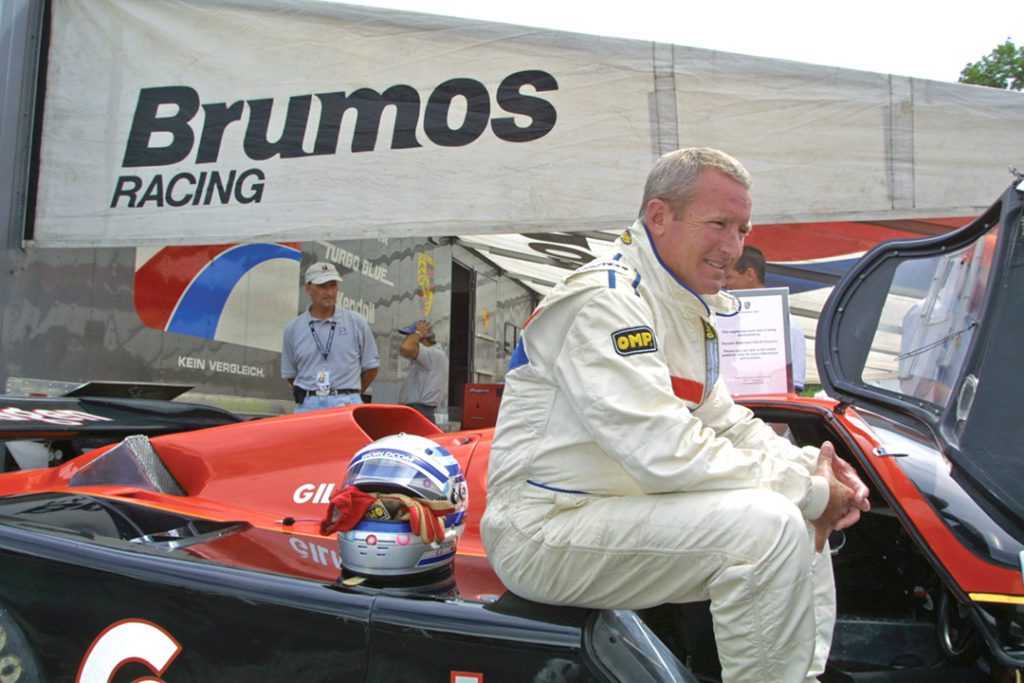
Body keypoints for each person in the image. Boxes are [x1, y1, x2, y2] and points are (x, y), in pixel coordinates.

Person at [481, 147, 870, 682]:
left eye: (742, 229)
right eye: (719, 224)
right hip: (545, 529)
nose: (734, 248)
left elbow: (727, 422)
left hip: (612, 515)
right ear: (659, 216)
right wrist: (810, 490)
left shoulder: (679, 303)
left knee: (792, 511)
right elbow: (664, 451)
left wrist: (812, 470)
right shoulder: (606, 300)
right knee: (768, 525)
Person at [282, 262, 380, 413]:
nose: (329, 293)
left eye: (333, 286)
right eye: (322, 286)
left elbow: (372, 367)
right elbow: (291, 374)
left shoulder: (356, 322)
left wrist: (351, 393)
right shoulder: (293, 328)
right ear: (308, 288)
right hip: (308, 404)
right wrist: (312, 394)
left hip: (346, 402)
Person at [726, 245, 808, 391]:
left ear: (749, 275)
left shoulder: (789, 327)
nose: (723, 284)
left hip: (769, 410)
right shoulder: (721, 323)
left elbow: (793, 389)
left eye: (728, 277)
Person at [397, 320, 448, 424]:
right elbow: (403, 351)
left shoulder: (434, 354)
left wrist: (419, 333)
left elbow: (406, 347)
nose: (407, 339)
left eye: (411, 336)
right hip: (419, 410)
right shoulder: (428, 357)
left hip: (420, 411)